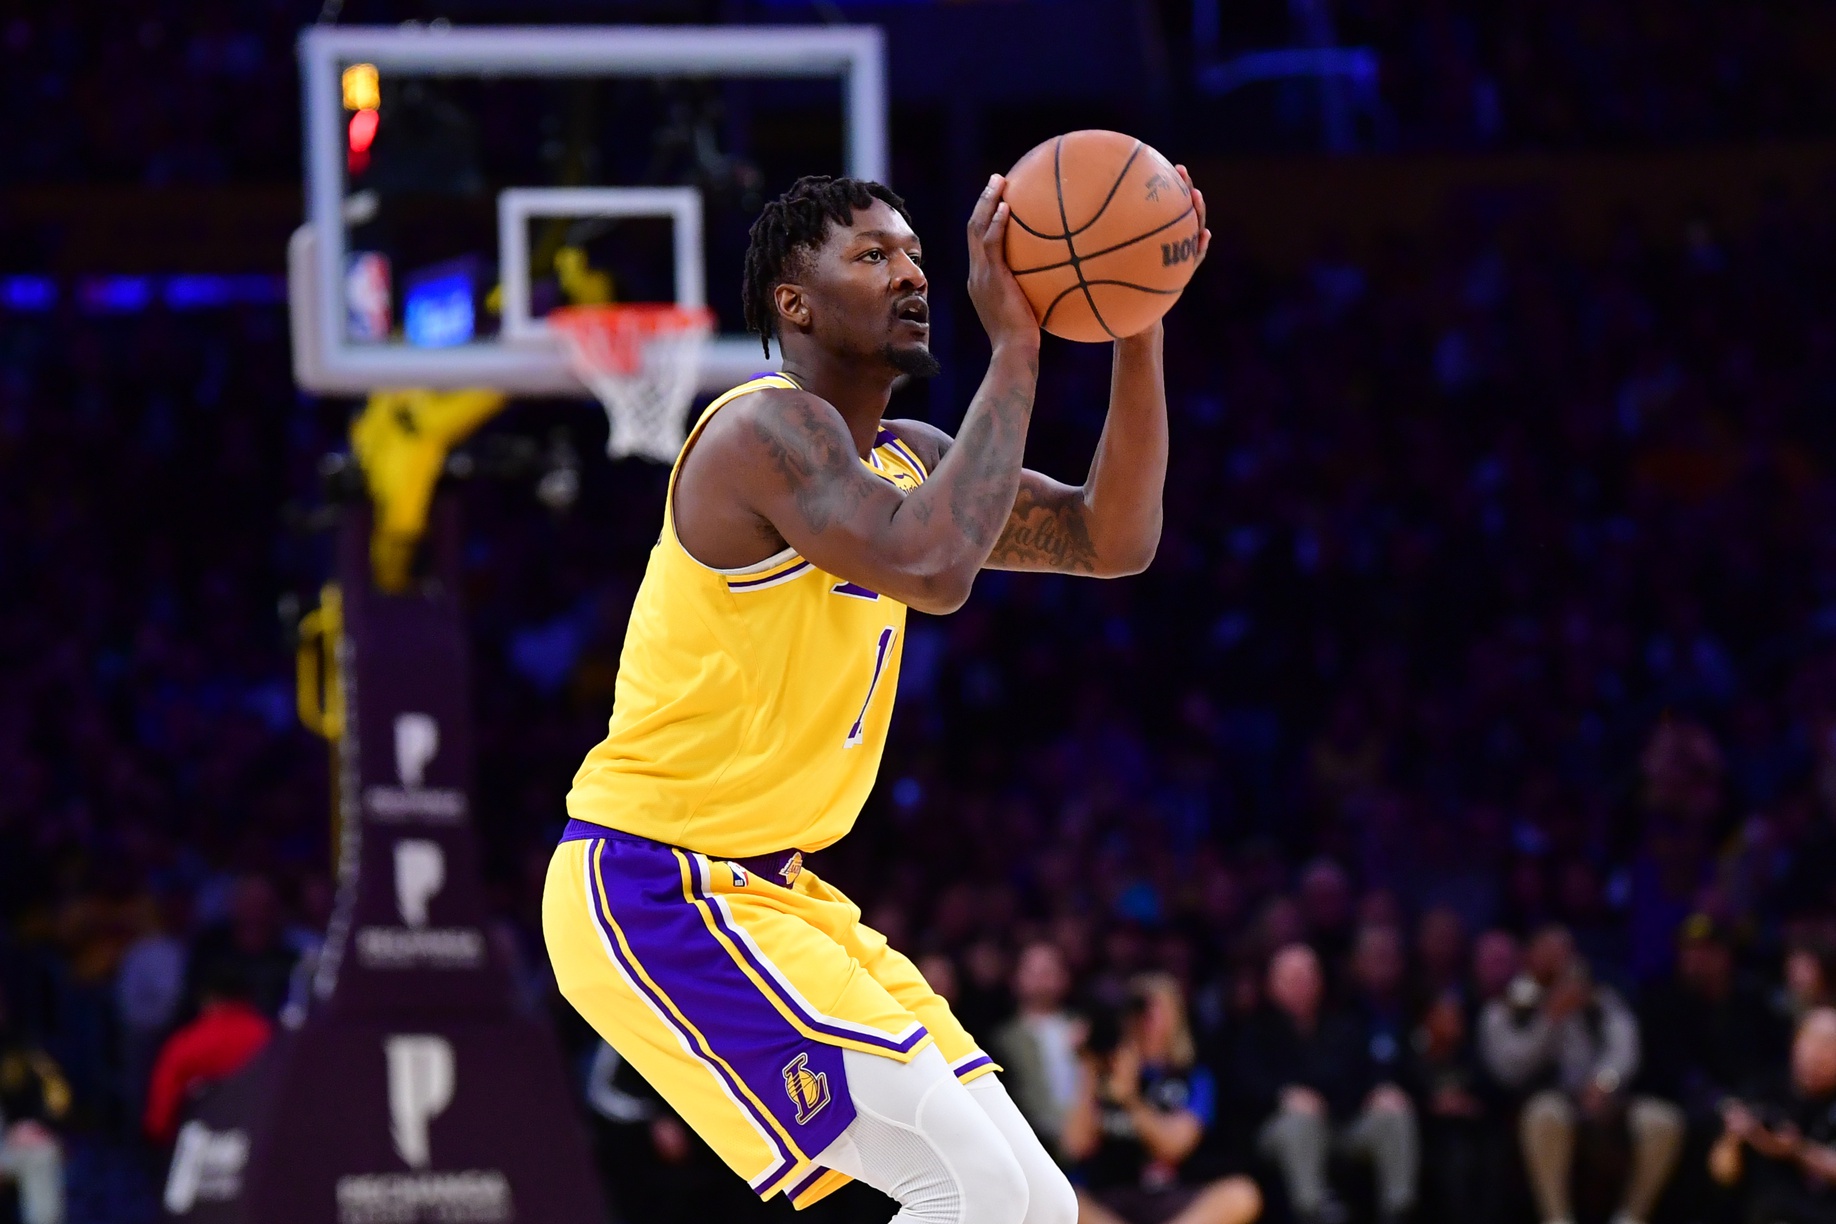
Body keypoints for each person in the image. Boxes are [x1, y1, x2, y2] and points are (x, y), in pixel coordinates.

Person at [543, 168, 1208, 1224]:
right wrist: (1021, 348)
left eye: (913, 256)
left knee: (1033, 1199)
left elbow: (1113, 537)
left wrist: (1138, 320)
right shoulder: (760, 434)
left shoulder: (912, 462)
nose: (911, 275)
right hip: (656, 883)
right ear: (792, 303)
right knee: (977, 1192)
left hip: (778, 893)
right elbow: (935, 567)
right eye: (872, 256)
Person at [1479, 925, 1683, 1224]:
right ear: (1529, 958)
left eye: (1565, 951)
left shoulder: (1600, 999)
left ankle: (1630, 1217)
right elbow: (1510, 1068)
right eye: (1549, 951)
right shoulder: (1507, 1008)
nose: (1559, 960)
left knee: (1663, 1122)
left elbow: (1626, 1046)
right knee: (1546, 1114)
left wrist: (1604, 1082)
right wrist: (1550, 1018)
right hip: (1546, 1101)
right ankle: (1557, 1218)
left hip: (1605, 1099)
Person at [1235, 943, 1418, 1224]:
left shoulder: (1343, 1026)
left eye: (1308, 977)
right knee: (1300, 1123)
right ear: (1272, 986)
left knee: (1394, 1113)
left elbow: (1370, 1071)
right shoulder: (1254, 1032)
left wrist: (1381, 1089)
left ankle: (1400, 1209)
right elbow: (1244, 1086)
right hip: (1282, 1129)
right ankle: (1313, 1211)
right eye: (1292, 979)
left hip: (1341, 1124)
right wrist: (1284, 1096)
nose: (1301, 985)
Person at [1063, 974, 1262, 1224]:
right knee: (1065, 1200)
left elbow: (1175, 1147)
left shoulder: (1193, 1077)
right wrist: (1088, 1067)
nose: (1146, 1020)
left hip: (1173, 1197)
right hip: (1110, 1195)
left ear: (1176, 1016)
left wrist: (1131, 1101)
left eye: (1155, 1009)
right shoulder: (1100, 1072)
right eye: (1138, 1010)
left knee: (1242, 1194)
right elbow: (1074, 1147)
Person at [1709, 1007, 1836, 1224]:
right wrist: (1734, 1138)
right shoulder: (1763, 1088)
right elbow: (1722, 1173)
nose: (1817, 1053)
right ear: (1796, 1042)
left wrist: (1795, 1150)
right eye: (1813, 1041)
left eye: (1829, 1045)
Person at [143, 963, 273, 1145]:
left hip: (199, 1144)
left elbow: (160, 1118)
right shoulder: (269, 1036)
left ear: (207, 998)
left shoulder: (187, 1043)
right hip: (258, 1139)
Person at [994, 941, 1086, 1163]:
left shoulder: (1085, 1030)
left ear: (1064, 977)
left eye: (1048, 971)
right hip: (1029, 1149)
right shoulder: (1001, 1041)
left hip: (1085, 1143)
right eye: (1033, 971)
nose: (1041, 979)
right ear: (1016, 978)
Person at [0, 986, 70, 1224]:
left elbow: (55, 1092)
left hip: (6, 1145)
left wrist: (34, 1124)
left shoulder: (17, 1046)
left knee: (42, 1152)